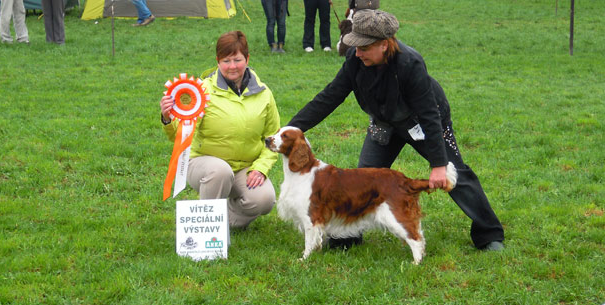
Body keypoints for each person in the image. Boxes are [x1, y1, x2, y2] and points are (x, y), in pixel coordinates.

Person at [287, 9, 505, 251]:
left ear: (383, 44)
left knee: (456, 173)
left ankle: (489, 235)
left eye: (364, 48)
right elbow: (329, 97)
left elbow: (430, 115)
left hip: (422, 121)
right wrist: (293, 126)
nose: (357, 52)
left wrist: (438, 165)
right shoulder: (355, 61)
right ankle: (347, 236)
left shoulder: (410, 64)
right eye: (355, 46)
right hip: (384, 122)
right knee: (364, 178)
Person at [160, 31, 281, 229]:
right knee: (220, 171)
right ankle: (205, 229)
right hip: (204, 166)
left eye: (237, 59)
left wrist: (260, 168)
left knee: (265, 199)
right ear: (217, 61)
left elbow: (273, 138)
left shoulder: (264, 93)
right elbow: (181, 136)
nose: (232, 66)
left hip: (244, 168)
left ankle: (218, 222)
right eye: (226, 60)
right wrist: (167, 118)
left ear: (247, 59)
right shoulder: (202, 91)